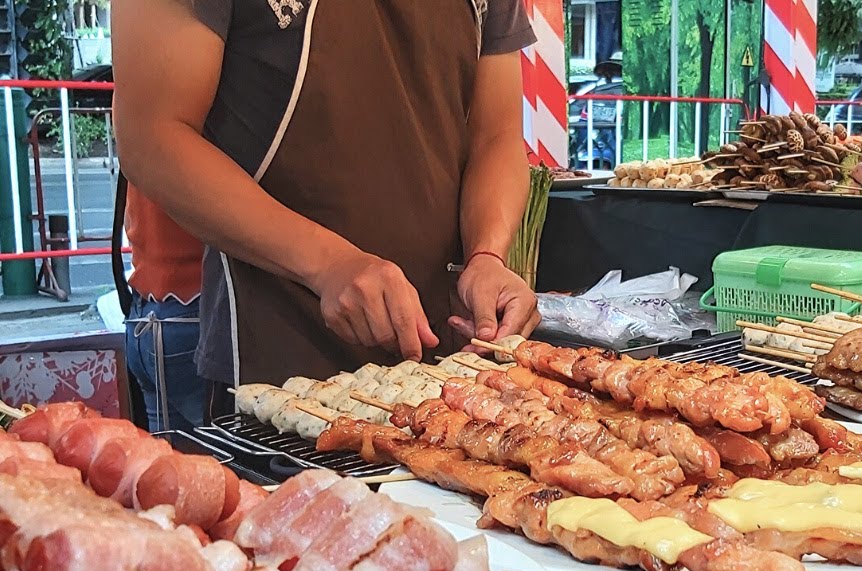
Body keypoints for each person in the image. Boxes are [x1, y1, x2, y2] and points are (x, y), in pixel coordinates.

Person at [111, 0, 542, 416]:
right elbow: (152, 138)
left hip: (446, 367)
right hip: (278, 364)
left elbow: (496, 137)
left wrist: (487, 255)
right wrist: (329, 263)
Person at [122, 186, 206, 432]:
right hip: (194, 310)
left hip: (145, 315)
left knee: (171, 459)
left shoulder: (144, 149)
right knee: (235, 455)